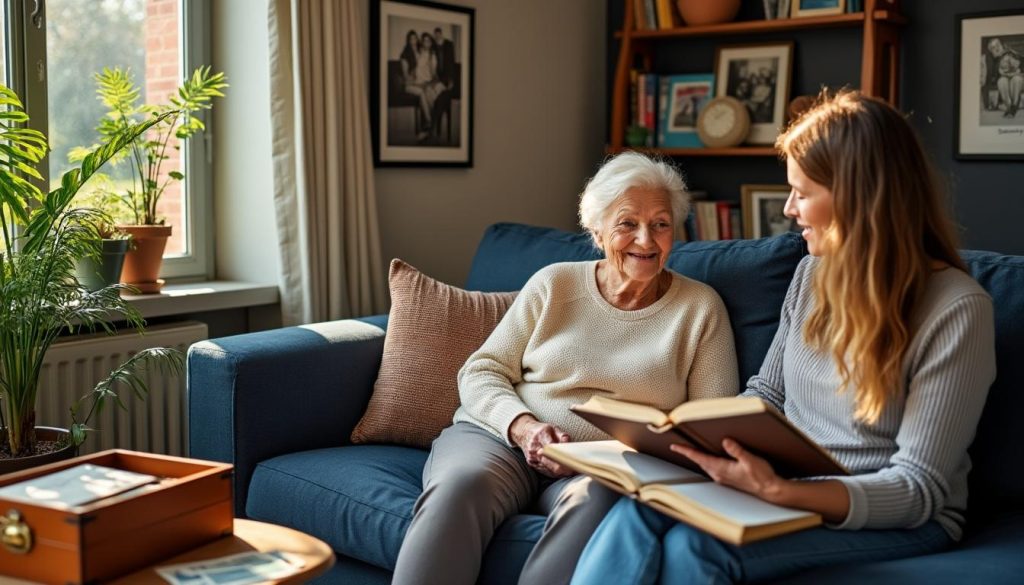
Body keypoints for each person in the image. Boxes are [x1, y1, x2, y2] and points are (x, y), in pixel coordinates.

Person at [571, 90, 997, 584]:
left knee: (698, 545)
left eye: (803, 191)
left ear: (859, 197)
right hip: (788, 482)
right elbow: (767, 395)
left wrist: (779, 492)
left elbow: (917, 488)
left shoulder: (956, 308)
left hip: (896, 513)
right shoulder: (812, 275)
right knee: (637, 507)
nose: (790, 210)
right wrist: (695, 443)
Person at [390, 152, 740, 585]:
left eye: (661, 224)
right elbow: (481, 371)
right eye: (627, 223)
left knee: (596, 503)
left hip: (604, 470)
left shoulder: (700, 309)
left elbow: (712, 426)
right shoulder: (555, 283)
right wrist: (523, 427)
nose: (646, 240)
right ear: (596, 229)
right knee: (462, 485)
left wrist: (627, 455)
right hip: (503, 442)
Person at [433, 26, 457, 90]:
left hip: (448, 73)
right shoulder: (434, 46)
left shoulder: (449, 44)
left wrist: (451, 78)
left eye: (438, 34)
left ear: (441, 34)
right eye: (436, 35)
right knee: (439, 90)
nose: (437, 36)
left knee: (448, 89)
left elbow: (452, 60)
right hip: (439, 73)